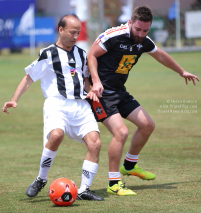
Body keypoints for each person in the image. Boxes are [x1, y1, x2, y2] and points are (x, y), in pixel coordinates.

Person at [87, 6, 200, 196]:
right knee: (121, 132)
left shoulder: (144, 41)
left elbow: (160, 55)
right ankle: (113, 183)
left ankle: (129, 166)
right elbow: (91, 55)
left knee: (147, 125)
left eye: (145, 30)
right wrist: (95, 82)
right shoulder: (113, 35)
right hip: (101, 93)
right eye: (138, 29)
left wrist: (181, 71)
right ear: (131, 22)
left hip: (119, 91)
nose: (140, 34)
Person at [2, 14, 104, 201]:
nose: (75, 36)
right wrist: (14, 99)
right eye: (72, 32)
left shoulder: (81, 53)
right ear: (60, 29)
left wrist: (92, 91)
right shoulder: (48, 53)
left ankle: (84, 189)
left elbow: (85, 81)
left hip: (80, 105)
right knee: (56, 135)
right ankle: (41, 178)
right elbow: (29, 77)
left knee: (95, 143)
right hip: (57, 103)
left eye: (78, 33)